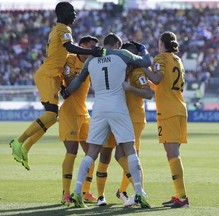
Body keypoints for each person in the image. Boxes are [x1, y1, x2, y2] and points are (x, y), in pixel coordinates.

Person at [61, 33, 152, 208]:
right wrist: (143, 49)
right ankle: (139, 192)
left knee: (92, 152)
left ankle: (77, 193)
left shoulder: (91, 60)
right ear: (117, 45)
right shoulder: (121, 55)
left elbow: (78, 81)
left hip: (99, 108)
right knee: (129, 149)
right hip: (118, 106)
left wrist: (66, 92)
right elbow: (146, 62)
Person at [9, 1, 103, 170]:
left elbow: (60, 54)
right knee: (52, 114)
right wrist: (91, 52)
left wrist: (61, 86)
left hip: (52, 76)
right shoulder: (63, 29)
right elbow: (69, 47)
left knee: (52, 116)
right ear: (63, 12)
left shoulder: (57, 29)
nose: (74, 14)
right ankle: (19, 141)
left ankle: (25, 148)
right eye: (72, 11)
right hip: (47, 75)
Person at [95, 42, 153, 207]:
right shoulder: (121, 71)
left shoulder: (136, 72)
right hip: (122, 119)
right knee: (126, 157)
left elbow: (149, 93)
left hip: (134, 119)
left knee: (125, 156)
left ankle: (139, 191)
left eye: (128, 54)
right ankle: (132, 192)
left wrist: (129, 88)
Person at [141, 31, 189, 208]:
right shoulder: (177, 60)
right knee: (174, 154)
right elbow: (160, 83)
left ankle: (182, 197)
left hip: (168, 111)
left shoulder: (160, 58)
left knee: (172, 155)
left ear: (162, 43)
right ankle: (180, 195)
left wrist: (142, 66)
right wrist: (149, 78)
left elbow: (157, 77)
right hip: (179, 109)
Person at [59, 35, 99, 206]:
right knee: (72, 152)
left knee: (91, 153)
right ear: (82, 46)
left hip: (84, 112)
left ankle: (86, 191)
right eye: (90, 47)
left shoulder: (92, 62)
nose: (93, 51)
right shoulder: (70, 59)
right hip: (69, 112)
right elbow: (69, 82)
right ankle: (66, 194)